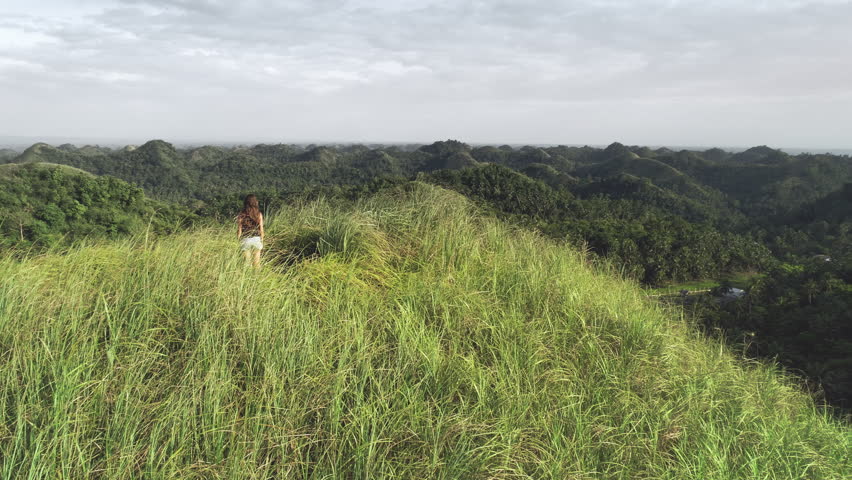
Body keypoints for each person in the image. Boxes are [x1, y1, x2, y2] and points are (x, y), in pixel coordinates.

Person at [237, 194, 264, 268]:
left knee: (246, 265)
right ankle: (257, 278)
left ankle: (247, 279)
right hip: (256, 239)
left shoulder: (241, 214)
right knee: (257, 264)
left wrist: (239, 241)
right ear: (255, 203)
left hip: (245, 239)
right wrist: (261, 240)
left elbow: (239, 230)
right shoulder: (259, 214)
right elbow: (261, 229)